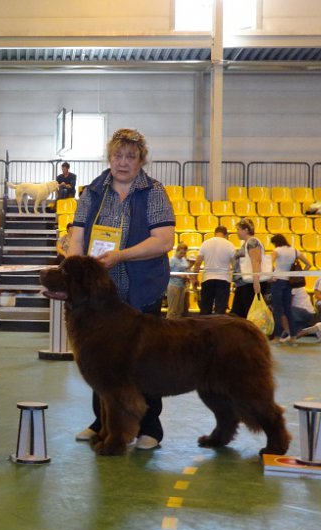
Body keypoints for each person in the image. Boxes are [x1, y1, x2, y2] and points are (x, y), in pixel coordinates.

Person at [67, 128, 175, 451]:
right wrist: (77, 269)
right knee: (100, 360)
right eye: (118, 155)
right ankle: (103, 423)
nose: (123, 162)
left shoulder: (154, 192)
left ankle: (149, 427)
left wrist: (121, 256)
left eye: (130, 156)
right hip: (101, 298)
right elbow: (77, 236)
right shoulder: (93, 191)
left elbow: (164, 240)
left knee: (146, 361)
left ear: (141, 160)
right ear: (109, 157)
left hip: (143, 291)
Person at [270, 234, 312, 343]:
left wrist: (271, 276)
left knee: (278, 310)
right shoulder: (294, 251)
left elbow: (269, 264)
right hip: (289, 282)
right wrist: (299, 274)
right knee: (288, 310)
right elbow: (308, 264)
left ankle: (277, 337)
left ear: (276, 243)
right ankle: (293, 336)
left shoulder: (277, 250)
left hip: (278, 281)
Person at [230, 218, 271, 318]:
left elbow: (256, 261)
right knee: (238, 314)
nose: (237, 232)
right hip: (243, 285)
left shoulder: (253, 242)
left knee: (251, 314)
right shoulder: (247, 243)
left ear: (246, 230)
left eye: (239, 229)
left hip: (250, 285)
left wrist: (256, 283)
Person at [193, 226, 236, 315]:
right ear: (226, 234)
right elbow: (235, 264)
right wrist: (236, 279)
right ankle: (218, 328)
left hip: (207, 278)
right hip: (224, 279)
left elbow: (197, 262)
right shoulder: (230, 245)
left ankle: (204, 327)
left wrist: (194, 277)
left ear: (214, 232)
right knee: (220, 308)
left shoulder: (205, 243)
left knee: (205, 307)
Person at [167, 243, 192, 319]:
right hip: (174, 285)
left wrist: (187, 276)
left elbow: (186, 269)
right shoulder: (172, 260)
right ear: (177, 251)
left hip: (182, 285)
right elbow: (168, 273)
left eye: (184, 253)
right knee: (172, 309)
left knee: (180, 309)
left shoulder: (183, 259)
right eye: (181, 252)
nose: (183, 254)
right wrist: (179, 275)